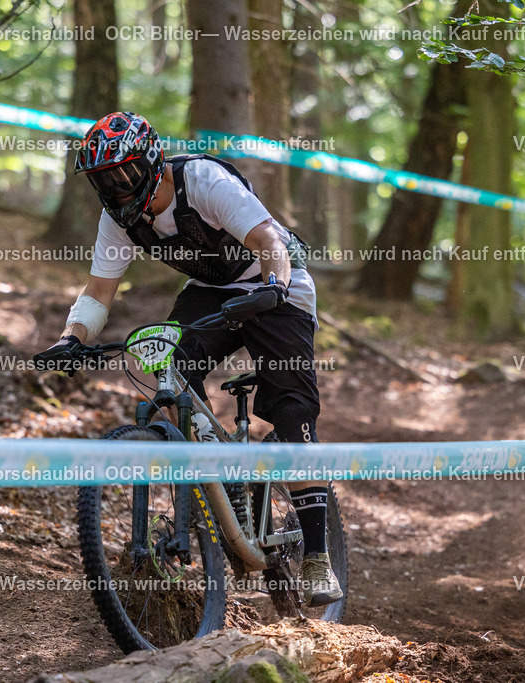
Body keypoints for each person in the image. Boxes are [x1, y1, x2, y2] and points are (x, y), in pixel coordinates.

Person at [34, 111, 341, 607]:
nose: (116, 188)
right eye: (103, 180)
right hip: (211, 291)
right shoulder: (116, 218)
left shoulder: (203, 180)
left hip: (274, 283)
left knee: (292, 409)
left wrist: (273, 288)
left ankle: (317, 556)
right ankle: (220, 487)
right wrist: (70, 338)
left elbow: (269, 242)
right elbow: (98, 290)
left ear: (152, 161)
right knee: (169, 367)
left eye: (124, 174)